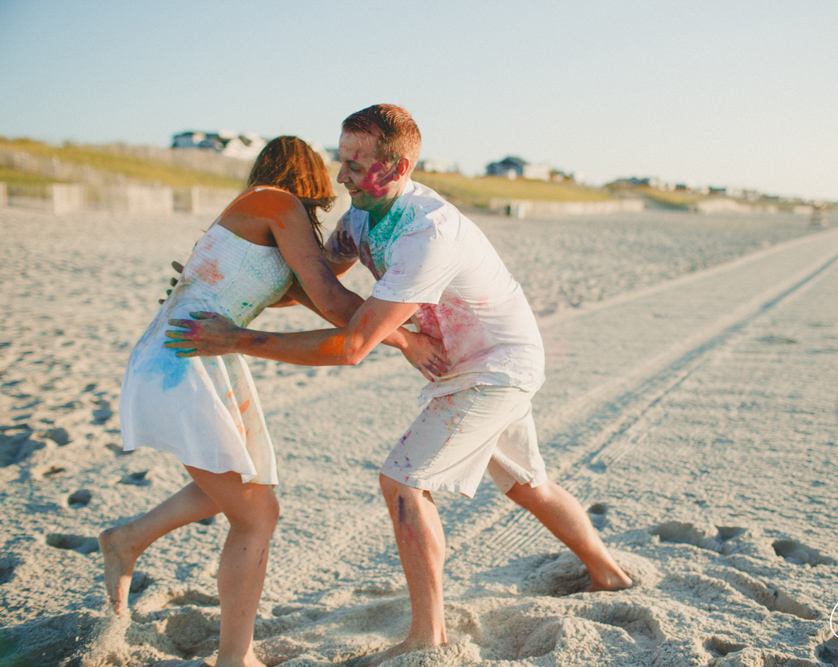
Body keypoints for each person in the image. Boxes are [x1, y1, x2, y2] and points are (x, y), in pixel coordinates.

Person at [166, 106, 632, 663]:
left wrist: (236, 338)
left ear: (397, 166)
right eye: (341, 160)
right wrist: (217, 280)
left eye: (356, 165)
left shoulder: (425, 232)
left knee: (403, 482)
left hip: (496, 369)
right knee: (530, 485)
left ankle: (427, 638)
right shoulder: (362, 217)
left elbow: (352, 346)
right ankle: (609, 575)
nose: (342, 177)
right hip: (464, 368)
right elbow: (314, 284)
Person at [100, 136, 444, 667]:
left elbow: (323, 299)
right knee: (256, 514)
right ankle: (235, 658)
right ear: (308, 179)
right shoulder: (276, 204)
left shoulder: (264, 218)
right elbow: (332, 299)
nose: (338, 183)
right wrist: (407, 337)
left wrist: (398, 336)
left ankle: (127, 540)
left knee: (246, 489)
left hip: (203, 351)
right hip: (186, 354)